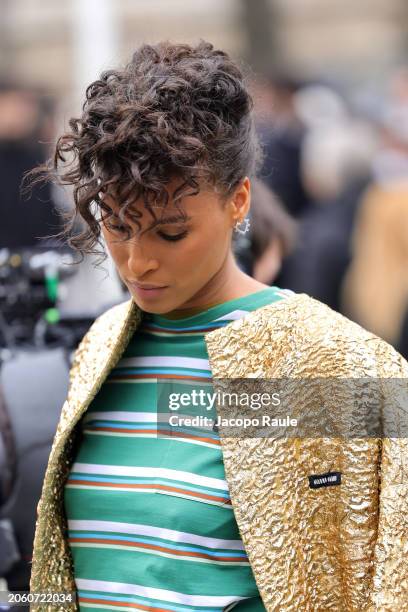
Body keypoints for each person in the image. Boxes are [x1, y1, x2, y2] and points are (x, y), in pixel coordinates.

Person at [29, 41, 408, 611]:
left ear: (239, 201)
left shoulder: (334, 364)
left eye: (171, 232)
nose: (137, 261)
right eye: (116, 224)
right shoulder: (102, 345)